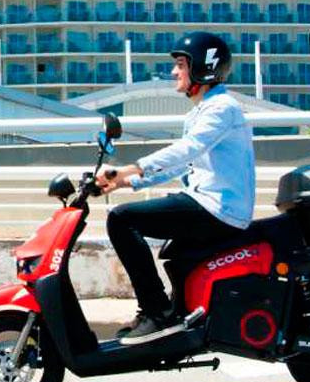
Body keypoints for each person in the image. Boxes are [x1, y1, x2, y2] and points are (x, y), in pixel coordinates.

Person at [95, 32, 255, 345]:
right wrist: (126, 181)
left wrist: (133, 167)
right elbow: (184, 165)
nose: (173, 72)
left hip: (218, 208)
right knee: (160, 243)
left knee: (122, 220)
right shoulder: (200, 111)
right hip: (207, 203)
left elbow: (189, 149)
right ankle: (172, 317)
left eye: (180, 64)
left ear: (202, 68)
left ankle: (156, 313)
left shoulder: (222, 107)